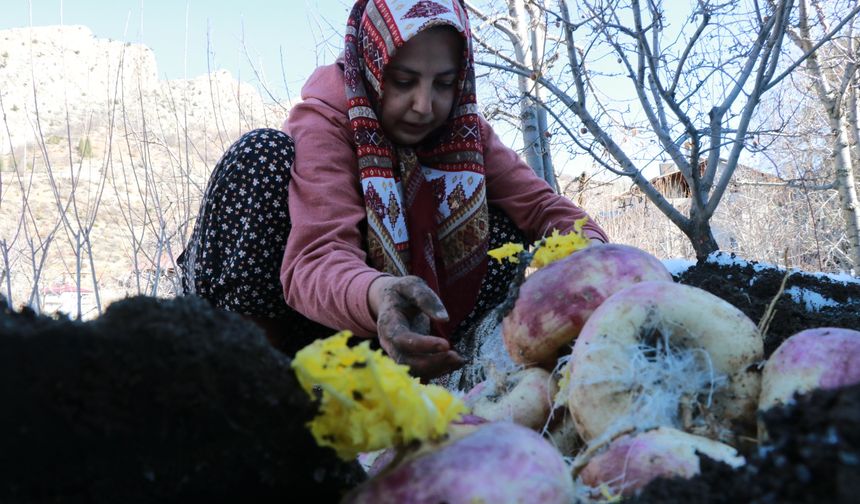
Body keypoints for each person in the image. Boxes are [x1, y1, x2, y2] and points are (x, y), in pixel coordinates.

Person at [179, 0, 608, 388]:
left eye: (442, 84)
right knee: (260, 157)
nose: (424, 105)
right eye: (403, 81)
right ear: (372, 64)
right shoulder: (327, 121)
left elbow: (541, 207)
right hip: (307, 325)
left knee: (499, 228)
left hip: (384, 334)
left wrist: (598, 261)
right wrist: (380, 294)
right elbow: (318, 255)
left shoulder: (465, 133)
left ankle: (446, 370)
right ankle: (254, 385)